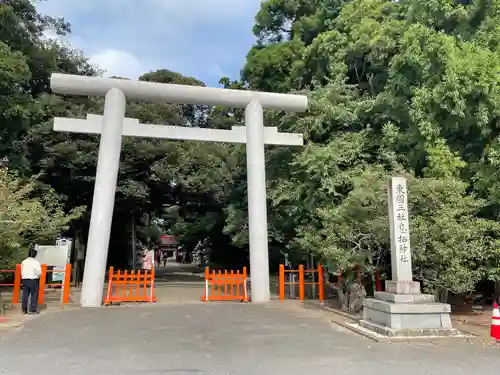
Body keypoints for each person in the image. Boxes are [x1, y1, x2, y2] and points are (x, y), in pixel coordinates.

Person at [21, 246, 42, 315]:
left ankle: (24, 309)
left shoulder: (23, 262)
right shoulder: (36, 262)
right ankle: (32, 310)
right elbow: (39, 272)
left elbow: (22, 271)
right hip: (33, 280)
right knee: (34, 295)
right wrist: (38, 276)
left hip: (24, 280)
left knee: (25, 295)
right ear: (34, 255)